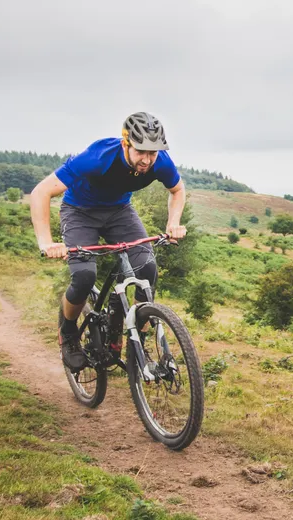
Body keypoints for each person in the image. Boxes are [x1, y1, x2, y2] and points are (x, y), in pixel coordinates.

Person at [30, 112, 187, 371]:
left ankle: (137, 340)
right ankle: (68, 333)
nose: (148, 160)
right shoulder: (97, 157)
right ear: (126, 144)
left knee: (147, 269)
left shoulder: (161, 162)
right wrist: (46, 242)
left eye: (153, 153)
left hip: (119, 212)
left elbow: (177, 190)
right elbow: (41, 192)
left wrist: (173, 223)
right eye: (141, 152)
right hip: (80, 212)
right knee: (83, 277)